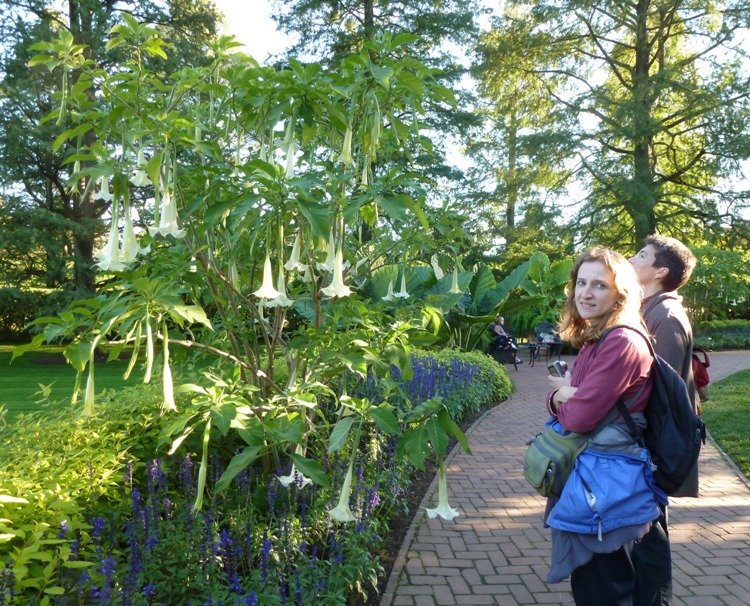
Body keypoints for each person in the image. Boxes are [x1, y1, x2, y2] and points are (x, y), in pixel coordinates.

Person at [543, 247, 666, 605]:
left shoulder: (622, 341)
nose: (585, 293)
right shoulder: (596, 338)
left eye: (599, 285)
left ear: (620, 294)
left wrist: (566, 397)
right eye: (581, 283)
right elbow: (564, 404)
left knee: (605, 587)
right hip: (593, 472)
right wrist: (562, 397)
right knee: (593, 582)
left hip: (606, 482)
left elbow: (579, 417)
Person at [628, 235, 698, 606]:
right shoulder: (651, 307)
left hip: (655, 444)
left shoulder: (665, 315)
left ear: (660, 271)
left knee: (649, 530)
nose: (631, 258)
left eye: (641, 255)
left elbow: (663, 391)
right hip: (649, 440)